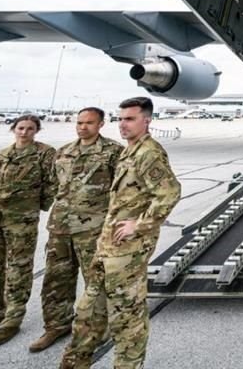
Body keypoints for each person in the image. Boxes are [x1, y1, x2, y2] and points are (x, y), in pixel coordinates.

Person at [60, 97, 181, 369]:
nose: (122, 125)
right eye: (120, 119)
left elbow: (170, 192)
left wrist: (139, 225)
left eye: (129, 119)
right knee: (88, 310)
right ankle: (74, 362)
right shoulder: (129, 151)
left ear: (146, 120)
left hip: (128, 251)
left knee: (127, 316)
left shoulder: (148, 153)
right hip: (107, 247)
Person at [29, 108, 123, 353]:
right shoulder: (64, 152)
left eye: (89, 123)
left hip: (94, 228)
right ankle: (56, 325)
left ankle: (97, 329)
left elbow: (122, 191)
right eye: (80, 122)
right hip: (60, 227)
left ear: (101, 124)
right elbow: (53, 186)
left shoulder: (113, 152)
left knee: (96, 280)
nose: (83, 127)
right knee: (56, 278)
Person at [0, 114, 57, 347]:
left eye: (30, 128)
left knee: (18, 269)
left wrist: (36, 206)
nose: (24, 132)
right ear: (13, 129)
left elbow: (53, 184)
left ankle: (12, 319)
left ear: (36, 131)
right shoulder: (1, 156)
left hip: (21, 221)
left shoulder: (45, 154)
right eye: (21, 128)